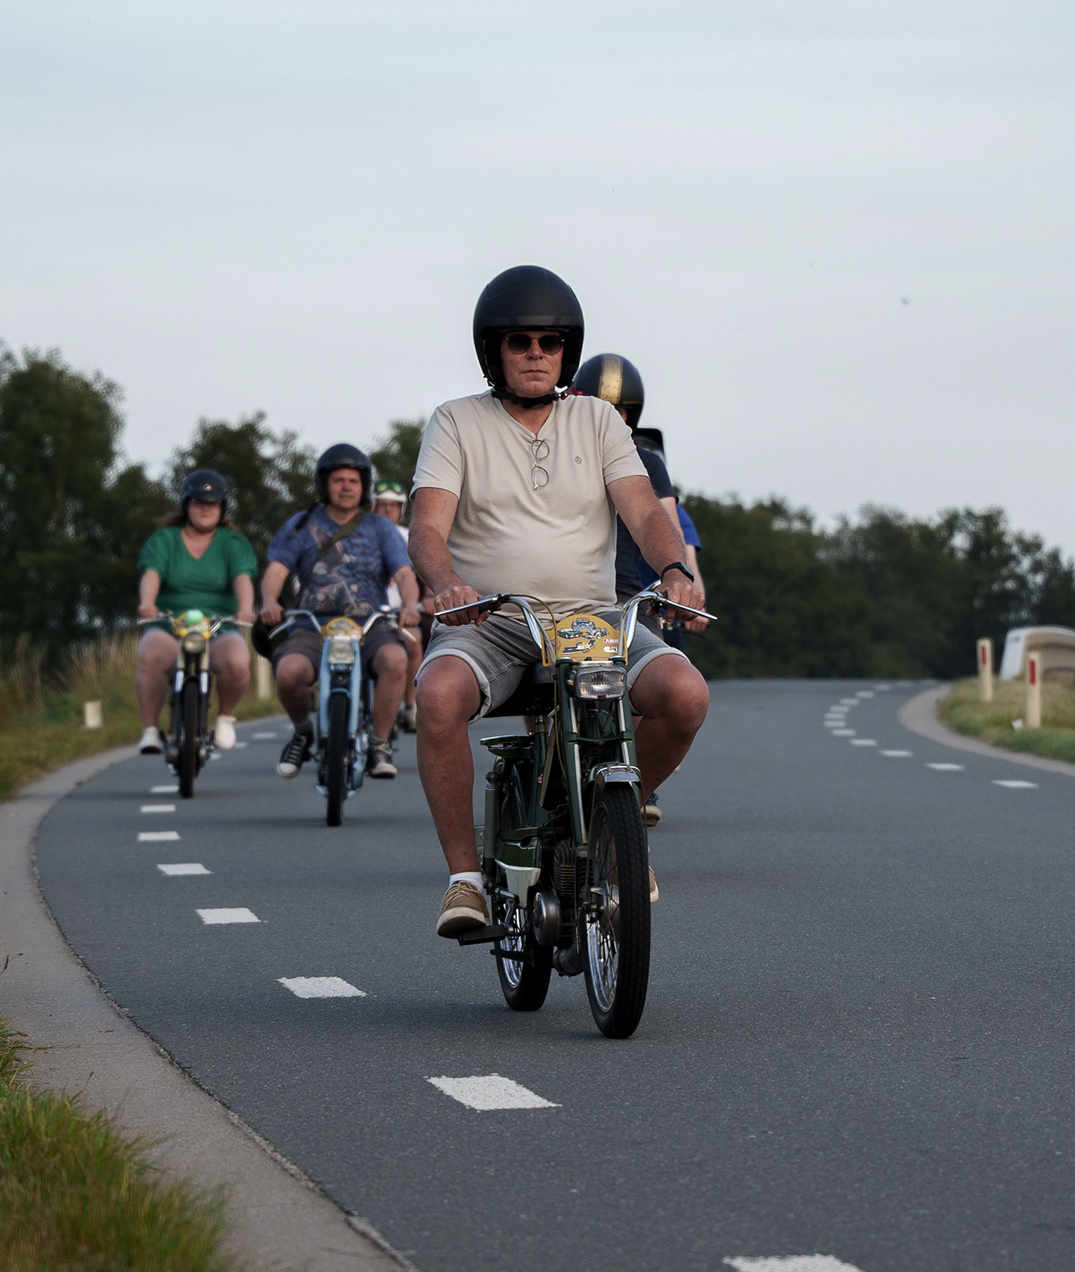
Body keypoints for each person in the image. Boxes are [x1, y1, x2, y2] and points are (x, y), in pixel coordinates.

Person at [406, 267, 709, 943]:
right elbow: (426, 528)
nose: (536, 353)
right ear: (494, 351)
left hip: (590, 619)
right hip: (492, 619)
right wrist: (446, 583)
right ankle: (466, 879)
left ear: (567, 350)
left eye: (550, 341)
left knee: (685, 694)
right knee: (436, 694)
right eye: (520, 341)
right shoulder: (456, 421)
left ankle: (606, 827)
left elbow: (644, 510)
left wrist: (675, 569)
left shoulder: (598, 420)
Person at [571, 353, 701, 825]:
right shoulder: (560, 457)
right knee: (547, 683)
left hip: (627, 598)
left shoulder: (646, 463)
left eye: (622, 411)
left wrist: (681, 578)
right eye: (602, 407)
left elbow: (665, 522)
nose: (613, 418)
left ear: (633, 416)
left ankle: (635, 780)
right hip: (563, 598)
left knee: (653, 681)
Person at [260, 443, 420, 778]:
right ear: (324, 484)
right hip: (313, 625)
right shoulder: (302, 524)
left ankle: (379, 743)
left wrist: (408, 605)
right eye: (338, 480)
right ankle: (302, 732)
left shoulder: (380, 527)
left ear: (363, 486)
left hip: (370, 624)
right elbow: (276, 570)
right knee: (288, 672)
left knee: (395, 659)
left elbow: (405, 573)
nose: (346, 487)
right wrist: (270, 601)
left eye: (353, 481)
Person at [132, 469, 256, 755]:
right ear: (186, 504)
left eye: (213, 503)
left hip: (217, 626)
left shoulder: (233, 543)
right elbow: (151, 573)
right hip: (170, 625)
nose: (205, 508)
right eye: (198, 502)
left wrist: (245, 609)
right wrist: (147, 603)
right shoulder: (164, 540)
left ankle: (224, 718)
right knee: (149, 654)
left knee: (238, 661)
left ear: (222, 508)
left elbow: (242, 578)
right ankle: (150, 730)